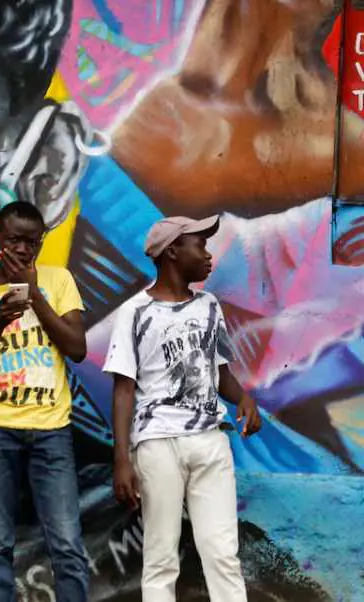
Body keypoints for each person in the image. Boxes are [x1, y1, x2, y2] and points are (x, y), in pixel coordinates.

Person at [102, 215, 263, 602]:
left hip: (210, 441)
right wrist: (122, 459)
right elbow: (124, 389)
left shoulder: (209, 306)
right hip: (158, 445)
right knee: (160, 557)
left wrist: (243, 397)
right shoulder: (135, 312)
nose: (208, 255)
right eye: (200, 245)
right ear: (173, 251)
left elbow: (219, 372)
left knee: (223, 554)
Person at [0, 199, 89, 602]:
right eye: (14, 241)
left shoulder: (59, 281)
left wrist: (34, 295)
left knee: (67, 541)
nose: (23, 250)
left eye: (32, 242)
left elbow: (77, 348)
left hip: (52, 428)